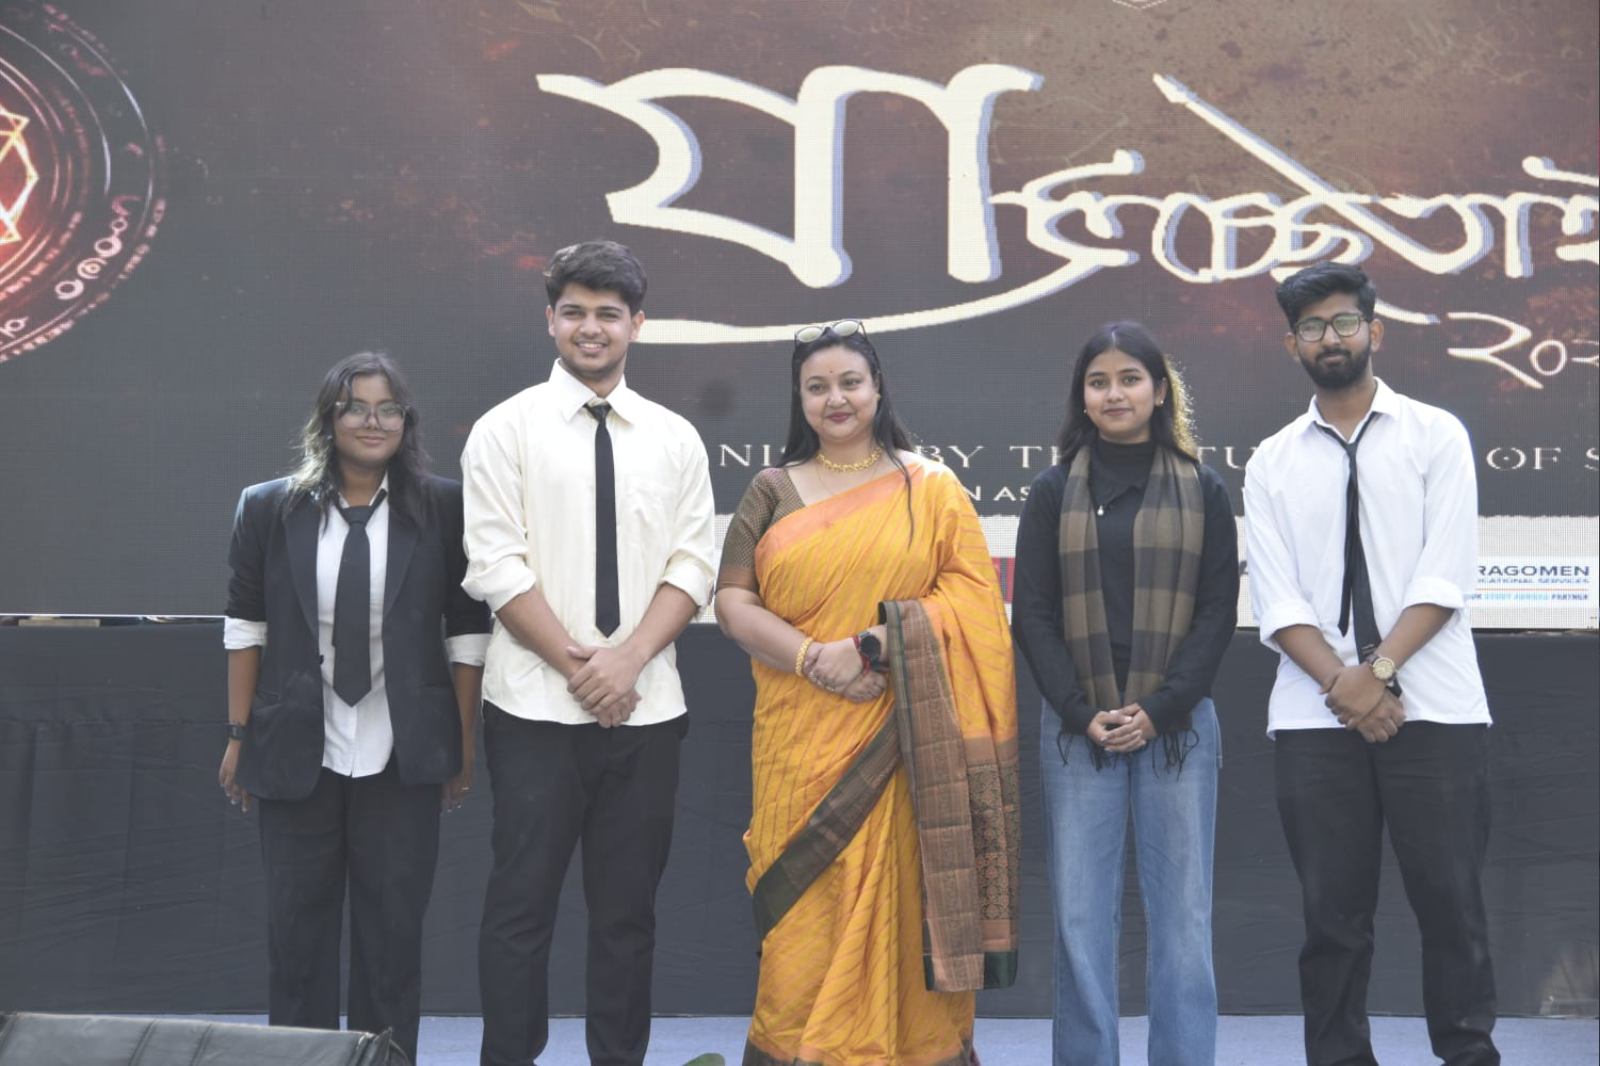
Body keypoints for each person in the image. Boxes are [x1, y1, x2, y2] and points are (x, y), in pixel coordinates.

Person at [715, 319, 1021, 1066]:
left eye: (850, 382)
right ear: (800, 399)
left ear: (878, 388)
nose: (836, 399)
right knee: (801, 923)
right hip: (800, 743)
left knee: (903, 908)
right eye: (817, 387)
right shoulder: (771, 490)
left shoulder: (932, 489)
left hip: (907, 743)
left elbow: (975, 603)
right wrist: (814, 656)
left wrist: (878, 643)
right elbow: (732, 601)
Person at [461, 240, 716, 1066]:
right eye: (574, 312)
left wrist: (629, 660)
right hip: (533, 711)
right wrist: (584, 669)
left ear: (638, 324)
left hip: (647, 713)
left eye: (609, 313)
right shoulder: (503, 430)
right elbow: (496, 567)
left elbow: (694, 565)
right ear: (550, 320)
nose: (591, 328)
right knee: (519, 911)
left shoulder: (675, 438)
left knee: (626, 917)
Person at [1244, 261, 1499, 1066]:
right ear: (1292, 345)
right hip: (1314, 717)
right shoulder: (1271, 461)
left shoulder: (1436, 435)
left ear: (1375, 331)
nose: (1332, 337)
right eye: (1312, 327)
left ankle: (1468, 1054)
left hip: (1437, 708)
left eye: (1345, 322)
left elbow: (1444, 576)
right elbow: (1278, 600)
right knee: (1333, 918)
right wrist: (1344, 685)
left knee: (1451, 906)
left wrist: (1376, 674)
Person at [218, 352, 490, 1065]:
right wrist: (240, 733)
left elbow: (468, 633)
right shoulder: (268, 507)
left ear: (407, 421)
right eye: (355, 407)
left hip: (403, 753)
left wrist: (461, 742)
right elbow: (246, 625)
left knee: (392, 944)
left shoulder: (443, 507)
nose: (373, 422)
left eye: (388, 408)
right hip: (294, 748)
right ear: (328, 417)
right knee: (296, 943)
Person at [1012, 321, 1238, 1066]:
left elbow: (1217, 614)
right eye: (1099, 381)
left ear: (1160, 390)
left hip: (1177, 731)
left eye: (1130, 379)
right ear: (1082, 397)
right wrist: (1082, 715)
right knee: (1080, 922)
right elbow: (1032, 615)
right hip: (1078, 732)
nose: (1115, 393)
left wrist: (1160, 710)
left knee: (1183, 922)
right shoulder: (1052, 491)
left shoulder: (1204, 488)